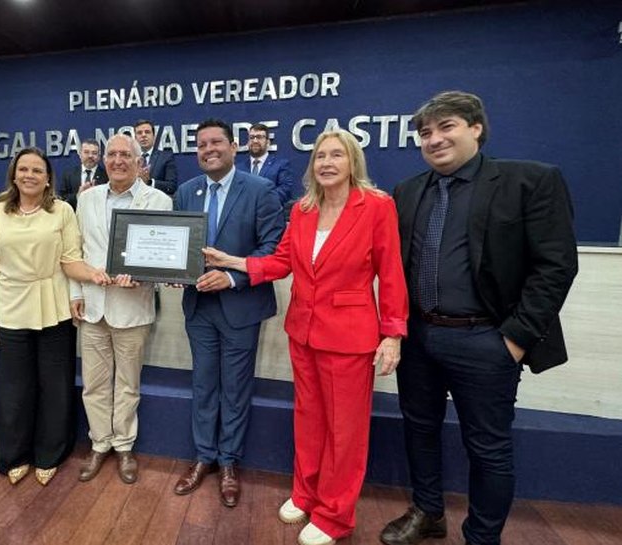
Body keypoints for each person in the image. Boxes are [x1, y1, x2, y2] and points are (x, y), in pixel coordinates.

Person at [380, 91, 578, 545]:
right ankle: (428, 513)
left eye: (446, 127)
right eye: (425, 133)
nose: (434, 139)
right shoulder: (407, 192)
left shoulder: (530, 181)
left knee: (488, 448)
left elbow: (556, 266)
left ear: (476, 128)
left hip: (486, 341)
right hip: (420, 338)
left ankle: (482, 537)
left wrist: (515, 339)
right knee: (420, 430)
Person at [204, 129, 408, 545]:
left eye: (337, 155)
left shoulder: (377, 207)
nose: (327, 163)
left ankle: (335, 515)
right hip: (304, 331)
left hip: (351, 337)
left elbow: (391, 274)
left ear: (353, 162)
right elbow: (282, 261)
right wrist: (235, 262)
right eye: (320, 156)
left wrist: (393, 333)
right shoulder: (302, 209)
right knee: (309, 420)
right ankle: (306, 493)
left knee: (345, 432)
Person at [0, 146, 110, 486]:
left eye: (37, 170)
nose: (30, 175)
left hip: (54, 308)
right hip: (9, 309)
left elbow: (70, 260)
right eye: (24, 169)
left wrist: (95, 274)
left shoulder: (62, 211)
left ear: (48, 177)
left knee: (55, 387)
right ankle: (15, 455)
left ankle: (50, 453)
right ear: (14, 174)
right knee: (13, 389)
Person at [172, 118, 284, 508]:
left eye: (216, 142)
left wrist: (232, 279)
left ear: (233, 147)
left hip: (240, 306)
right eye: (201, 145)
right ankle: (204, 458)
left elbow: (273, 249)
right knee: (203, 386)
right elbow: (179, 246)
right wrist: (174, 272)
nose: (208, 150)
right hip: (199, 308)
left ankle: (229, 462)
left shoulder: (261, 190)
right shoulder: (187, 191)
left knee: (235, 390)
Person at [71, 133, 173, 485]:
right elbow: (76, 251)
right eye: (111, 154)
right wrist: (75, 294)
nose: (117, 160)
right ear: (102, 160)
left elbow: (163, 257)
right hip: (93, 308)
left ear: (138, 161)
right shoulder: (86, 200)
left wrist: (146, 277)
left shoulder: (158, 201)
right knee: (94, 384)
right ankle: (99, 444)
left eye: (124, 155)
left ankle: (124, 445)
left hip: (132, 307)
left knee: (128, 384)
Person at [237, 122, 299, 206]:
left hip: (270, 215)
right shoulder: (239, 168)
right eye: (251, 137)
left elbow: (285, 189)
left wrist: (260, 201)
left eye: (259, 137)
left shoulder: (280, 164)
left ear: (268, 142)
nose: (255, 141)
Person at [59, 138, 108, 210]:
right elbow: (61, 199)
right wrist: (77, 196)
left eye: (94, 153)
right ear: (80, 154)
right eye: (86, 152)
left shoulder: (106, 175)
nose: (90, 156)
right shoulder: (68, 174)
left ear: (99, 157)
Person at [134, 119, 179, 195]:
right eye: (139, 133)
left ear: (154, 136)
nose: (143, 135)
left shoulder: (166, 157)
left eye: (147, 132)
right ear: (135, 138)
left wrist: (150, 182)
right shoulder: (129, 159)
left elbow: (172, 186)